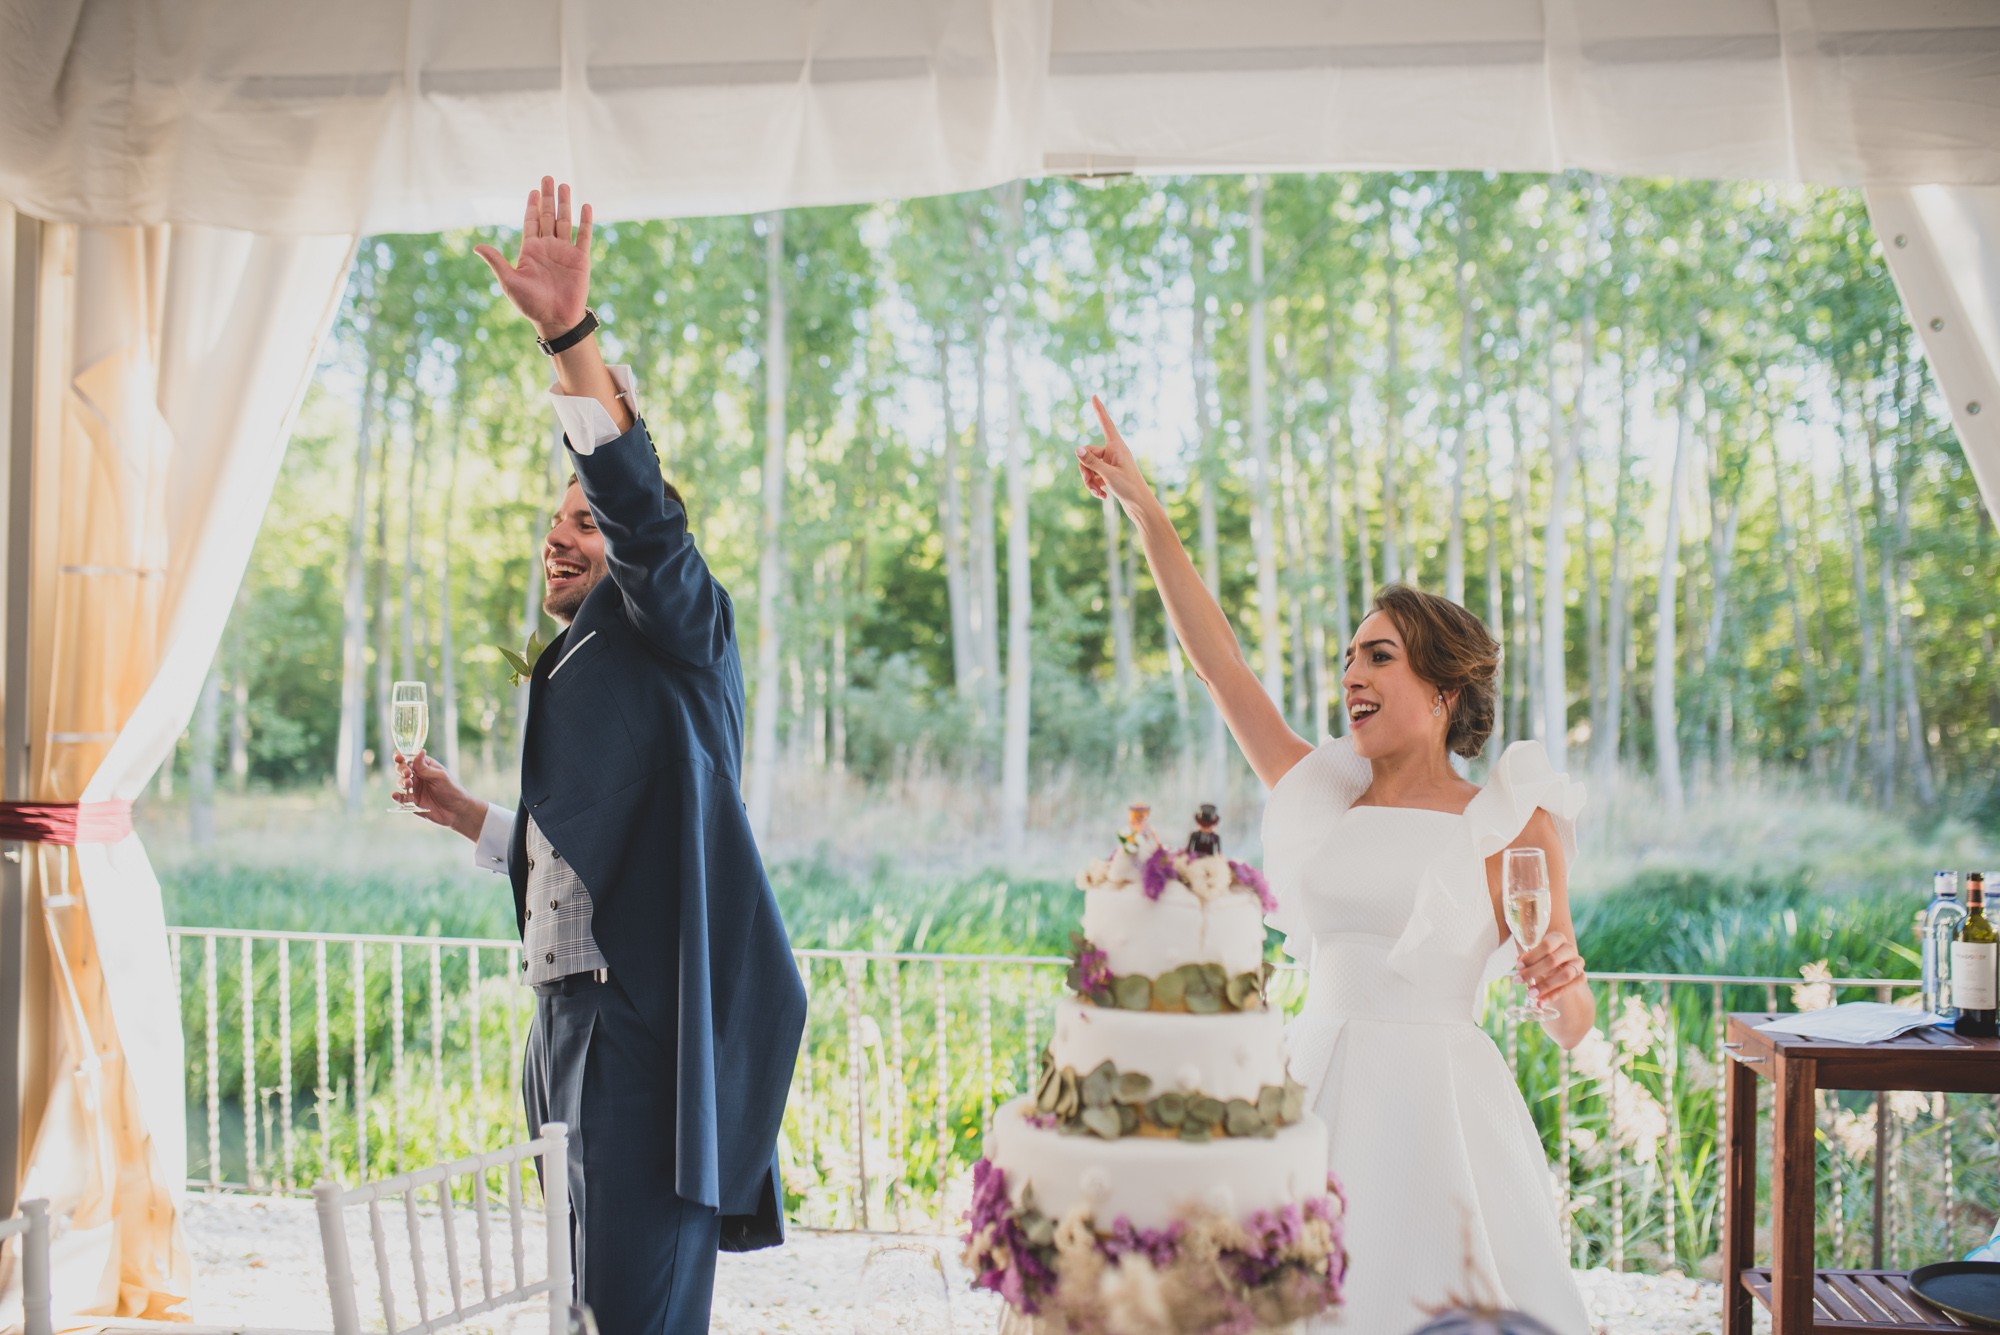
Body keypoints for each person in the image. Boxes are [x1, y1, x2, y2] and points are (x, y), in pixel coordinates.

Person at [1075, 397, 1593, 1334]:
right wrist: (1145, 510)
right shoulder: (1320, 790)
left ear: (1441, 690)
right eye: (1347, 656)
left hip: (1442, 1109)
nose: (1350, 674)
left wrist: (1563, 985)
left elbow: (1566, 1020)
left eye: (1378, 657)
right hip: (1309, 1081)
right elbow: (1220, 667)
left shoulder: (1511, 818)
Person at [394, 177, 807, 1334]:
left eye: (583, 517)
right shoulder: (584, 665)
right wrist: (467, 815)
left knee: (632, 1309)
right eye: (553, 519)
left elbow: (643, 515)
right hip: (558, 1026)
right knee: (579, 1309)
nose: (558, 533)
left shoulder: (681, 619)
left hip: (633, 1034)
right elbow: (582, 852)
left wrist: (570, 340)